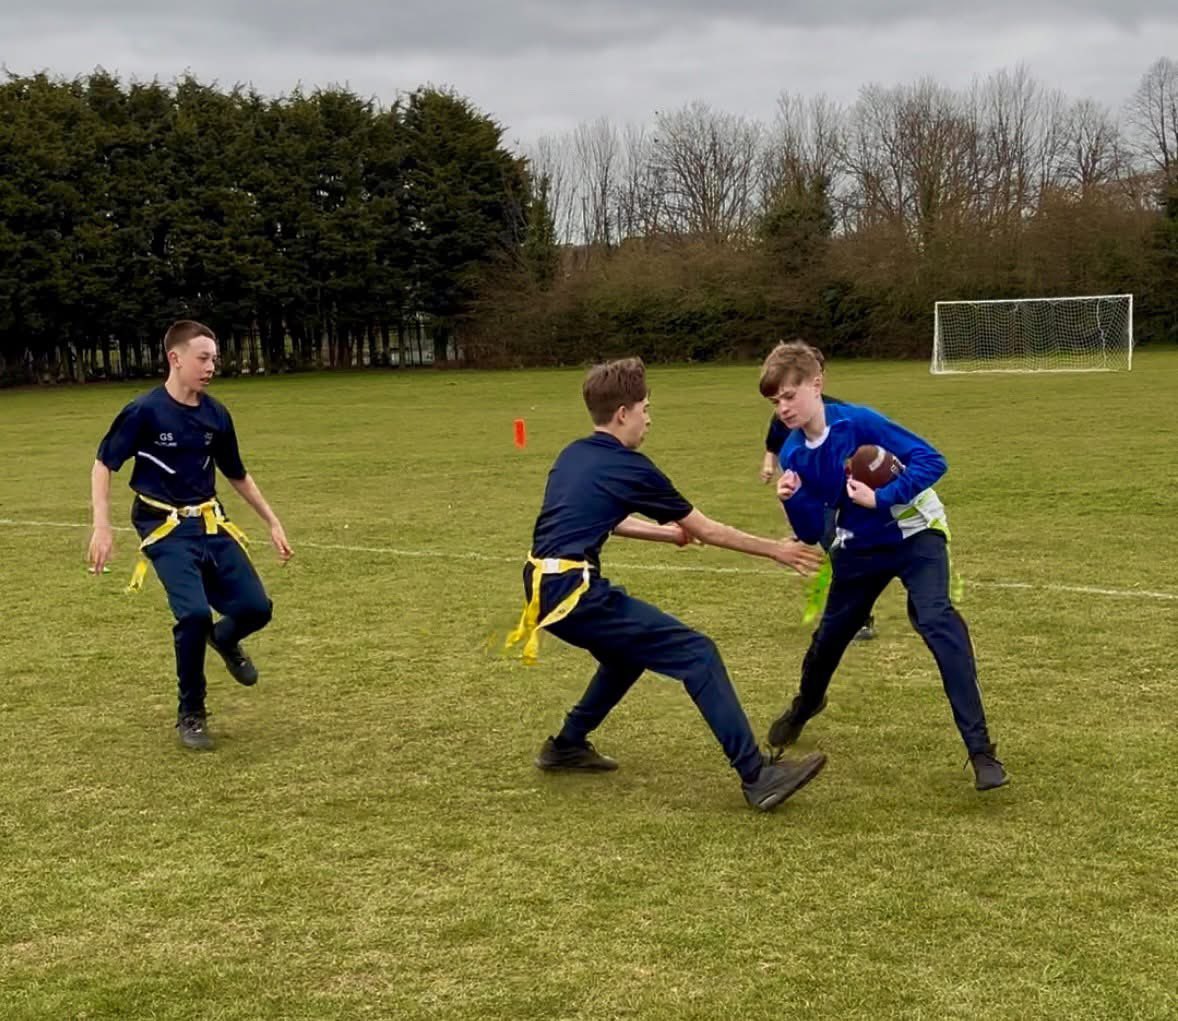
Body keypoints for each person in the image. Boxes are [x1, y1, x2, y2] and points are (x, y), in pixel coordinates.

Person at [506, 356, 828, 812]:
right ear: (623, 414)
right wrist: (775, 549)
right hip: (573, 592)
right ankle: (758, 775)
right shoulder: (632, 467)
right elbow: (708, 527)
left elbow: (606, 519)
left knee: (624, 658)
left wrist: (665, 532)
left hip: (541, 585)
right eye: (645, 409)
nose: (649, 420)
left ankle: (566, 744)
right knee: (697, 653)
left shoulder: (573, 454)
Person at [760, 341, 1007, 790]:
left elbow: (932, 460)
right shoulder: (795, 453)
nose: (783, 408)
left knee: (937, 621)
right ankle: (805, 705)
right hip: (860, 547)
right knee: (828, 641)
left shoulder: (860, 422)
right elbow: (813, 523)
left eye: (789, 395)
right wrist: (791, 500)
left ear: (817, 385)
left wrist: (884, 497)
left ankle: (981, 752)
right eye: (776, 401)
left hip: (917, 534)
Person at [88, 320, 293, 750]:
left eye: (214, 358)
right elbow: (104, 464)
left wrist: (272, 521)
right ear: (175, 358)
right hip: (163, 527)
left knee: (256, 608)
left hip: (209, 522)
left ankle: (225, 638)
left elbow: (236, 473)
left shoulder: (216, 414)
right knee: (194, 615)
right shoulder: (144, 411)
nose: (211, 366)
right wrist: (101, 525)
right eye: (203, 358)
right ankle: (192, 712)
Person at [761, 398, 878, 642]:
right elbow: (773, 445)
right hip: (810, 491)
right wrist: (769, 465)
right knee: (834, 547)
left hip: (838, 490)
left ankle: (860, 618)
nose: (783, 406)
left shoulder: (838, 412)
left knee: (843, 552)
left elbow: (865, 442)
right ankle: (855, 615)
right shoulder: (782, 415)